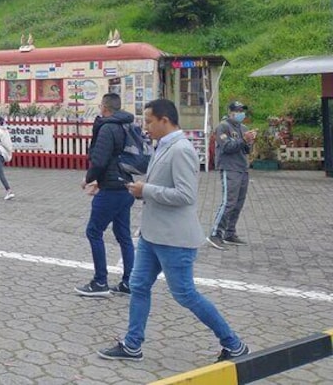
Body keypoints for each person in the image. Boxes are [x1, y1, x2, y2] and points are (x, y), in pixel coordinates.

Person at [98, 99, 249, 363]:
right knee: (138, 285)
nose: (145, 127)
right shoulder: (163, 146)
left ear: (164, 120)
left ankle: (233, 344)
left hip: (174, 238)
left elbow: (185, 195)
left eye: (149, 121)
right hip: (152, 234)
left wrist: (146, 190)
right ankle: (133, 344)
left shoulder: (181, 149)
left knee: (185, 293)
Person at [75, 93, 135, 297]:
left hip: (110, 189)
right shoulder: (126, 125)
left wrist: (88, 179)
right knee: (124, 236)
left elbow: (99, 161)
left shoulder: (108, 128)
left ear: (105, 108)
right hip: (125, 185)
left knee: (93, 231)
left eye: (100, 105)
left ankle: (100, 281)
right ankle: (129, 282)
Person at [207, 101, 256, 250]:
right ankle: (215, 234)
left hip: (242, 168)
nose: (241, 113)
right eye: (238, 110)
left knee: (238, 203)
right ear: (230, 112)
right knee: (229, 202)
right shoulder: (223, 126)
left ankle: (229, 232)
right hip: (230, 168)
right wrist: (243, 140)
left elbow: (247, 150)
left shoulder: (244, 128)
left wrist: (251, 141)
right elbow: (227, 147)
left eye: (242, 110)